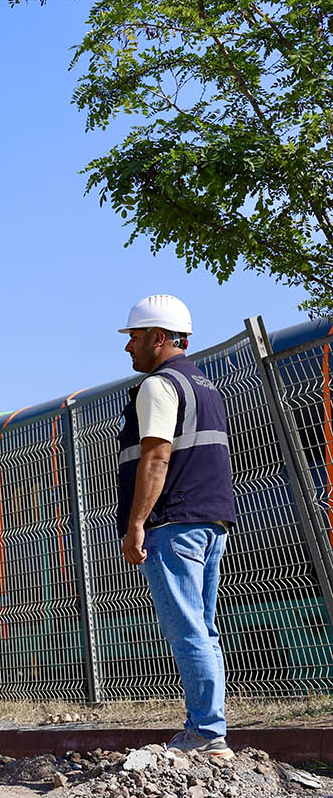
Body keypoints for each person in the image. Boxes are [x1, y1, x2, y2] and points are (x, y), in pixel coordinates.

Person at [117, 294, 237, 758]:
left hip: (173, 522)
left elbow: (157, 456)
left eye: (133, 338)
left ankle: (206, 734)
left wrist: (136, 525)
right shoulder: (209, 388)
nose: (128, 348)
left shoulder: (157, 387)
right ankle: (208, 729)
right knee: (204, 630)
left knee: (188, 630)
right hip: (212, 519)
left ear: (159, 338)